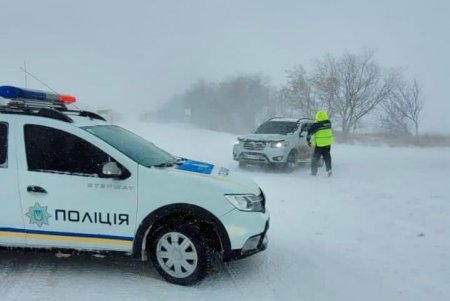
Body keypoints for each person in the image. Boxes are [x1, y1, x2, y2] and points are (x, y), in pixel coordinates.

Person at [307, 110, 333, 177]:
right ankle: (329, 169)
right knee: (327, 157)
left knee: (315, 158)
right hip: (327, 143)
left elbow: (310, 132)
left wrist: (308, 141)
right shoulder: (329, 123)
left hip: (319, 144)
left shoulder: (317, 125)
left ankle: (313, 172)